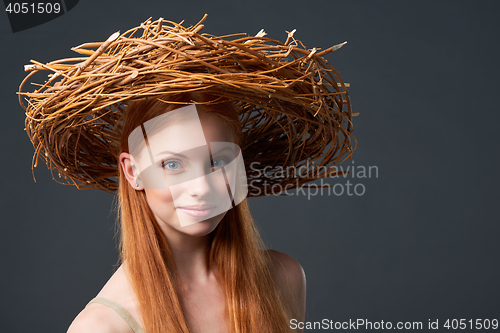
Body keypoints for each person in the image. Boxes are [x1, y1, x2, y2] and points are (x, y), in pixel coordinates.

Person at [19, 16, 355, 333]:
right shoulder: (103, 326)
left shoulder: (284, 279)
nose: (202, 188)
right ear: (133, 171)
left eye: (219, 161)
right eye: (173, 164)